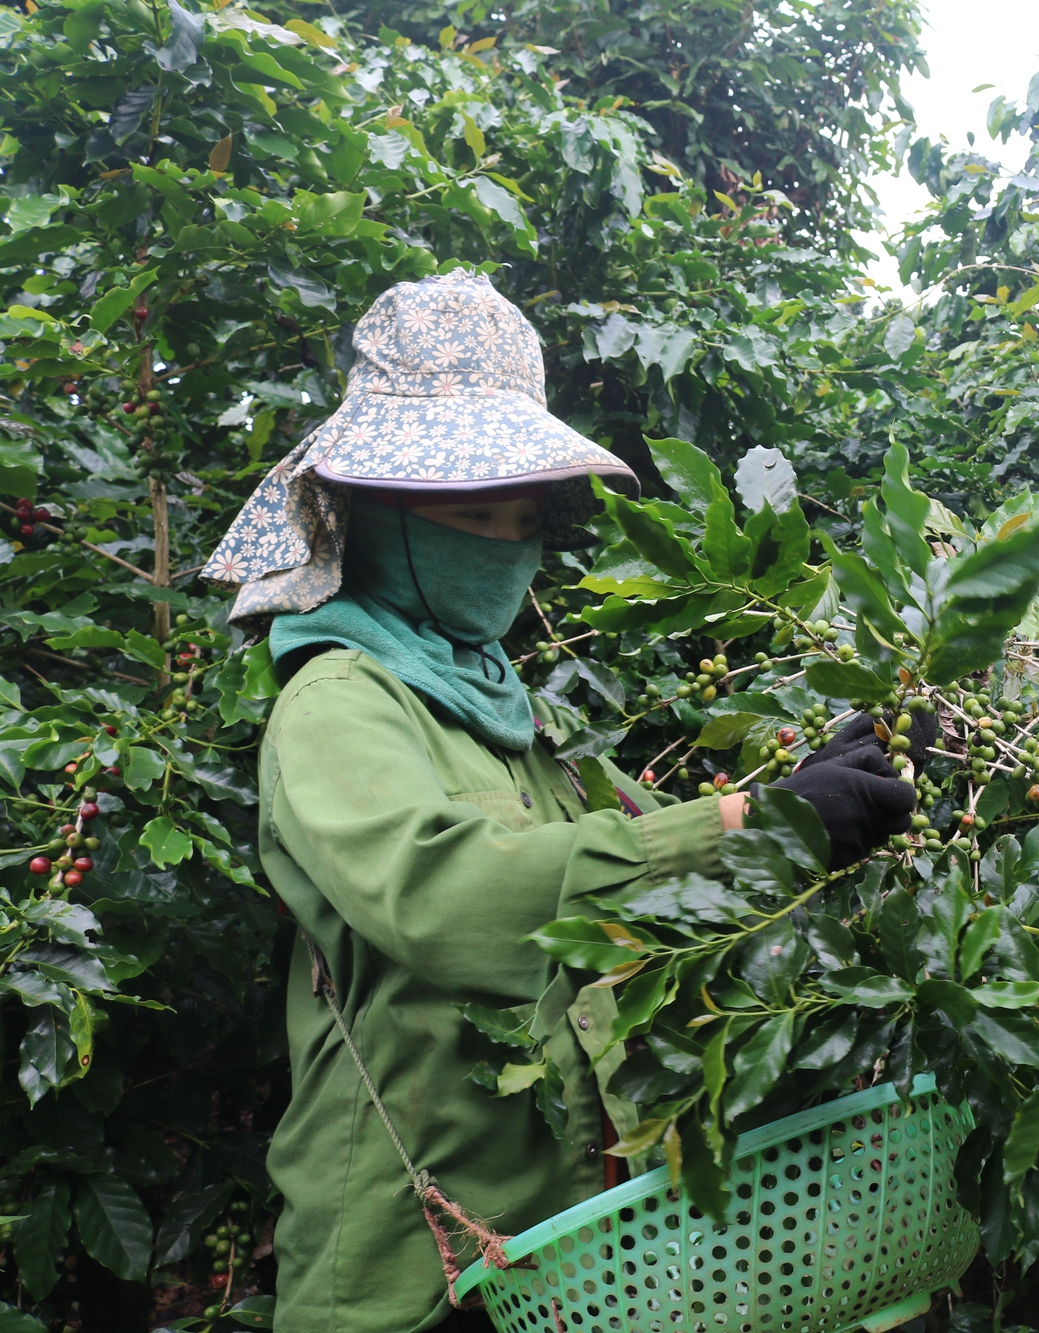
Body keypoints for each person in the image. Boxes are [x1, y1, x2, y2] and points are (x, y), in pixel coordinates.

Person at [201, 271, 923, 1332]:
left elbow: (643, 850)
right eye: (468, 513)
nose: (501, 544)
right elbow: (454, 901)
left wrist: (839, 772)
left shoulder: (503, 706)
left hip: (559, 1249)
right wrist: (755, 822)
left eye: (520, 517)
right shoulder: (340, 702)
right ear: (376, 514)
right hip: (413, 1263)